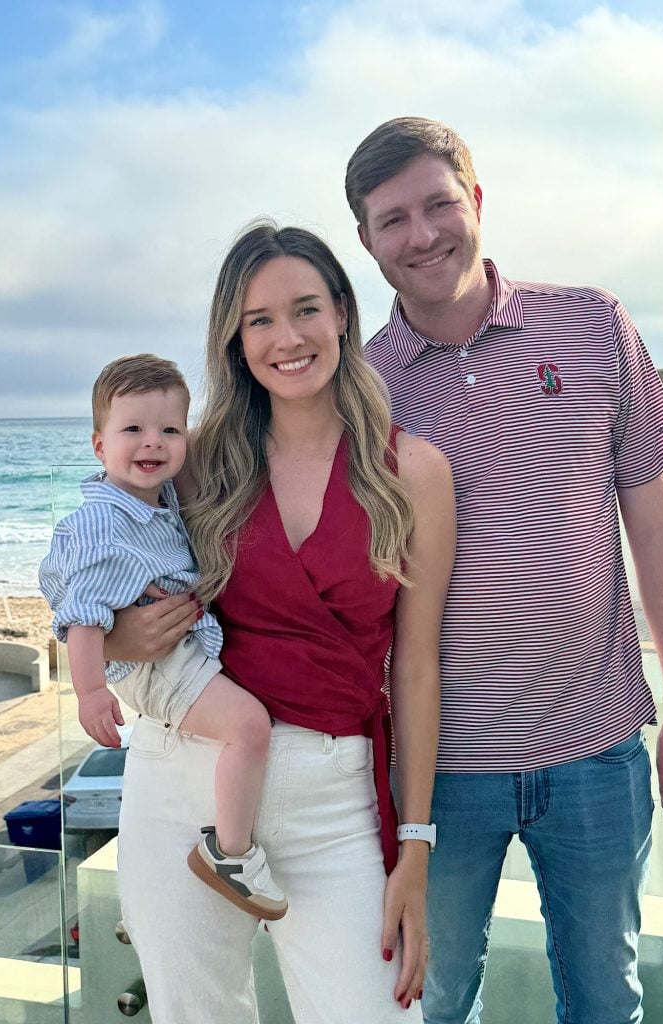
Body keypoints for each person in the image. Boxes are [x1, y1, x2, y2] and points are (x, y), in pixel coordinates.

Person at [344, 116, 663, 1024]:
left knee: (605, 1000)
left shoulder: (592, 323)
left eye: (439, 203)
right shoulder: (358, 387)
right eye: (393, 219)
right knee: (430, 1006)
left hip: (598, 751)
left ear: (477, 200)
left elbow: (659, 525)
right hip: (435, 777)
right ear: (365, 240)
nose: (422, 233)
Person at [106, 224, 456, 1023]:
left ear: (341, 312)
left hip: (333, 803)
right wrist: (118, 640)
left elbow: (417, 667)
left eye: (305, 309)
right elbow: (87, 571)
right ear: (234, 337)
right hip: (179, 788)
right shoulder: (189, 461)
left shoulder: (414, 472)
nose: (287, 338)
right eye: (259, 319)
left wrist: (414, 849)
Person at [39, 353, 288, 920]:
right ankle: (231, 853)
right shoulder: (105, 521)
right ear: (100, 446)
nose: (152, 443)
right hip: (156, 669)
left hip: (174, 654)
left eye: (169, 430)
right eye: (133, 430)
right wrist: (90, 692)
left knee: (244, 716)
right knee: (249, 729)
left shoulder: (154, 497)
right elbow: (82, 617)